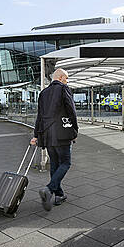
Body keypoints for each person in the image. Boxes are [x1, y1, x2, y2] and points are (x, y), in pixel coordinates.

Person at [30, 68, 78, 211]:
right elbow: (71, 110)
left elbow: (39, 116)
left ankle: (59, 195)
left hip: (47, 135)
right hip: (62, 134)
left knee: (55, 164)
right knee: (66, 163)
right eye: (67, 78)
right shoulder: (64, 89)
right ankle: (49, 189)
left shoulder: (43, 93)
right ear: (62, 77)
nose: (67, 81)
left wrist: (36, 135)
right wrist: (75, 130)